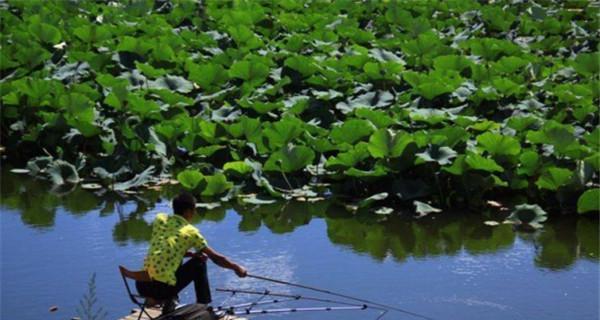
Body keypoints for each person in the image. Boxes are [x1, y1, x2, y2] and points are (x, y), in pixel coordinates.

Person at [136, 192, 247, 313]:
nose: (194, 213)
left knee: (170, 262)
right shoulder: (190, 232)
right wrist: (236, 267)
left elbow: (169, 248)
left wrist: (191, 254)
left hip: (142, 285)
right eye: (194, 210)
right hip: (161, 289)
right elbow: (215, 258)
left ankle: (168, 301)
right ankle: (204, 307)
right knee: (199, 263)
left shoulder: (160, 219)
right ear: (188, 211)